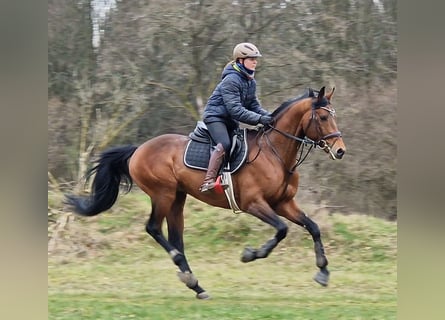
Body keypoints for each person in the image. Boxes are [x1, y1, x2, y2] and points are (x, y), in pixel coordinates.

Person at [199, 42, 274, 193]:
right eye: (251, 58)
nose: (255, 61)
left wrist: (271, 117)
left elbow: (253, 105)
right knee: (225, 143)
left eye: (255, 58)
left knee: (242, 144)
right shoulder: (231, 80)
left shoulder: (250, 81)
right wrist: (260, 119)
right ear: (240, 60)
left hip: (230, 120)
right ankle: (208, 181)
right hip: (215, 117)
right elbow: (236, 111)